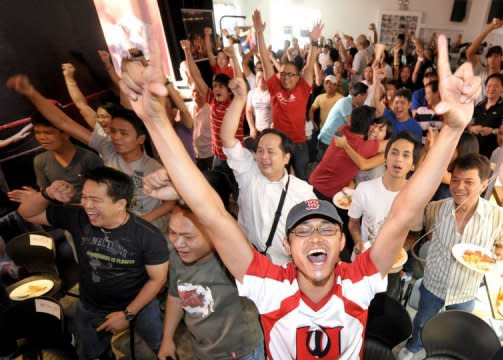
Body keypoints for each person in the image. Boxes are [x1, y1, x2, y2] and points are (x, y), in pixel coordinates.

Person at [120, 33, 481, 359]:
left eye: (326, 228)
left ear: (342, 242)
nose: (316, 237)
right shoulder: (269, 285)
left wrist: (453, 130)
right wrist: (155, 121)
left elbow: (403, 211)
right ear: (288, 247)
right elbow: (211, 213)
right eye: (303, 232)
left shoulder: (361, 279)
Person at [17, 167, 169, 360]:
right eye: (84, 197)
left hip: (139, 304)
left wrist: (127, 314)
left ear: (121, 203)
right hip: (91, 306)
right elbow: (26, 213)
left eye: (95, 200)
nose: (86, 205)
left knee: (160, 346)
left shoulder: (148, 236)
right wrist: (47, 193)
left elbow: (158, 280)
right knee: (96, 353)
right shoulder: (79, 217)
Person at [6, 75, 174, 233]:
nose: (116, 137)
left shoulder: (153, 167)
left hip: (148, 228)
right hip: (115, 225)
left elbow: (170, 203)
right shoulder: (108, 149)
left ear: (140, 139)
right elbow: (63, 122)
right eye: (113, 131)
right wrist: (31, 93)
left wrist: (144, 220)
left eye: (123, 133)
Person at [398, 154, 503, 359]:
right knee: (423, 320)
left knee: (458, 328)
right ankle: (413, 346)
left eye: (469, 182)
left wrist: (497, 254)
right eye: (456, 179)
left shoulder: (497, 216)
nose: (459, 187)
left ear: (484, 184)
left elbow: (502, 245)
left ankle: (446, 351)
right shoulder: (436, 208)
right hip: (434, 283)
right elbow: (428, 234)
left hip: (466, 289)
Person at [145, 170, 264, 360]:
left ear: (212, 232)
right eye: (173, 233)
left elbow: (226, 227)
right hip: (202, 351)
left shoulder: (232, 259)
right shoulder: (177, 256)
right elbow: (176, 295)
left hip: (240, 354)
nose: (178, 243)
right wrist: (167, 338)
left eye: (188, 237)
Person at [221, 77, 316, 265]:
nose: (263, 156)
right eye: (260, 150)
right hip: (249, 259)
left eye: (271, 152)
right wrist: (240, 99)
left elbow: (312, 228)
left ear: (286, 158)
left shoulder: (303, 191)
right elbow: (227, 137)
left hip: (285, 266)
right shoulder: (248, 171)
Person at [348, 131, 422, 298]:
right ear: (386, 157)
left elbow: (414, 234)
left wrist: (399, 251)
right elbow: (353, 223)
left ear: (413, 165)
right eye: (394, 152)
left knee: (382, 313)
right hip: (361, 263)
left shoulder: (416, 197)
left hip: (391, 269)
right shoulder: (364, 189)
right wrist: (358, 241)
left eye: (406, 155)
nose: (398, 159)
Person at [252, 9, 323, 180]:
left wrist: (314, 41)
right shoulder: (275, 87)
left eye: (290, 74)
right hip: (279, 143)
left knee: (301, 179)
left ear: (298, 76)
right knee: (278, 178)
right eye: (282, 73)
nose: (285, 77)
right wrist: (259, 33)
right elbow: (264, 57)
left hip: (299, 144)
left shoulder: (303, 88)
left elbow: (310, 62)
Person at [8, 113, 103, 204]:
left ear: (66, 133)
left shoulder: (89, 158)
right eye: (37, 132)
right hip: (61, 213)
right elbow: (46, 197)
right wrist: (37, 197)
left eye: (48, 132)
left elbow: (104, 196)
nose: (42, 137)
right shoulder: (40, 161)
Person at [61, 62, 119, 137]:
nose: (100, 121)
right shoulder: (102, 132)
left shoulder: (131, 129)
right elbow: (81, 105)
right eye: (98, 117)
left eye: (105, 117)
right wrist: (69, 78)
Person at [374, 62, 423, 143]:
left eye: (402, 103)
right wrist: (377, 80)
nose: (399, 105)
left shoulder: (415, 127)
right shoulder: (389, 115)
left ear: (409, 105)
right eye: (396, 102)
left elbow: (417, 150)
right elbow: (376, 100)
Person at [317, 82, 369, 158]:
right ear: (359, 96)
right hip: (326, 141)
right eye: (365, 98)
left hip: (333, 140)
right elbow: (352, 125)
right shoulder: (345, 102)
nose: (365, 101)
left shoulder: (353, 104)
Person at [466, 18, 503, 102]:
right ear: (487, 58)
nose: (493, 59)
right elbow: (469, 52)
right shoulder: (480, 71)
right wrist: (490, 28)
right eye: (490, 56)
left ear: (501, 58)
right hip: (475, 112)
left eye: (496, 56)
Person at [468, 73, 503, 158]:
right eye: (489, 85)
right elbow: (470, 123)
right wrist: (471, 128)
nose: (492, 88)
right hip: (473, 151)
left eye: (496, 86)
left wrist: (492, 131)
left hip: (493, 154)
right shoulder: (479, 105)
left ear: (502, 88)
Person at [246, 70, 272, 139]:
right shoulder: (252, 93)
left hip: (271, 131)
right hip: (257, 131)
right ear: (255, 79)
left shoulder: (272, 93)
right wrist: (251, 128)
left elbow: (277, 113)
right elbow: (249, 111)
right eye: (259, 77)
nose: (261, 80)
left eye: (263, 78)